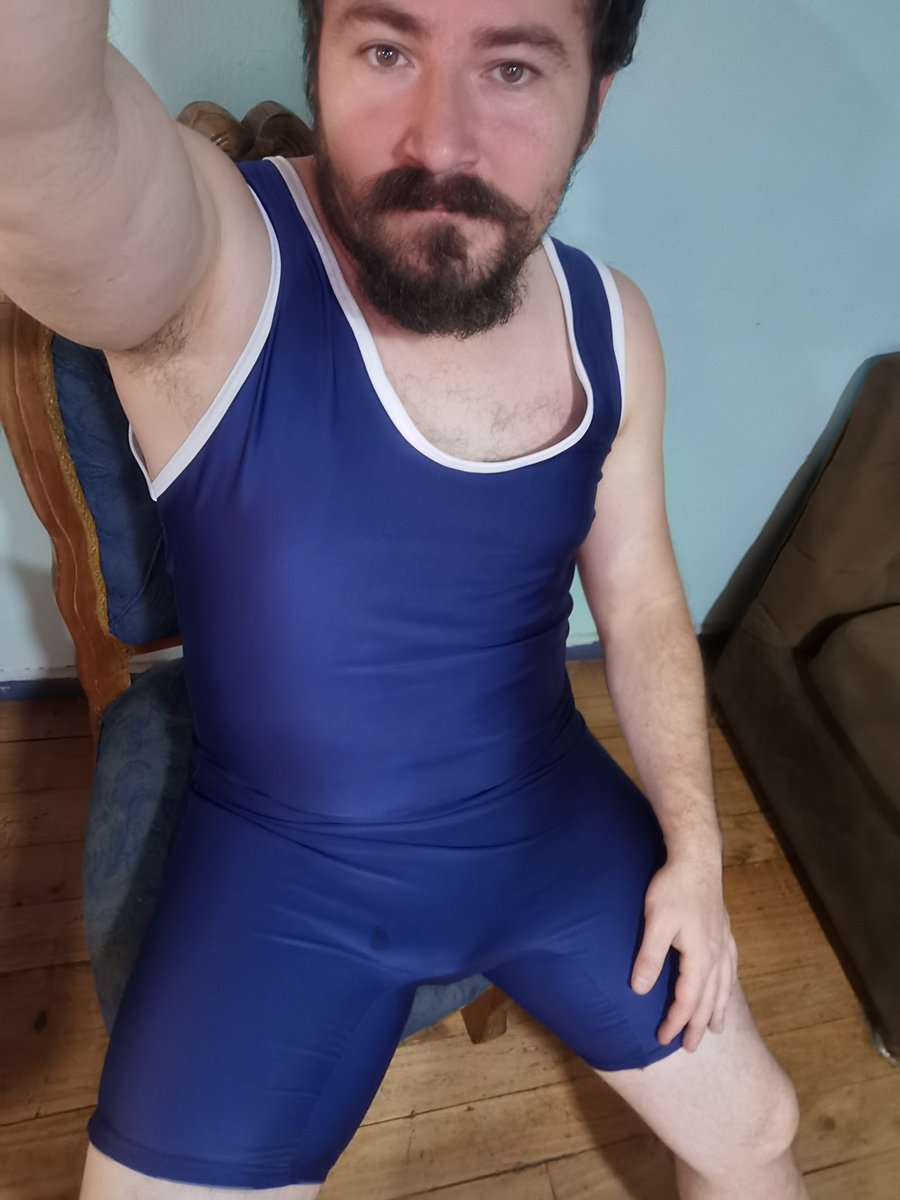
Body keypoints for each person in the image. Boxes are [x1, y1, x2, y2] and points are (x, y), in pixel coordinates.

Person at [0, 2, 808, 1197]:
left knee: (760, 1131)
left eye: (514, 68)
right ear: (318, 56)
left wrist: (695, 851)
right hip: (284, 872)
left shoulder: (612, 326)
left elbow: (641, 604)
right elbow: (33, 121)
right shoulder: (217, 271)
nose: (441, 139)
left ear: (594, 101)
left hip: (550, 827)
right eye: (387, 51)